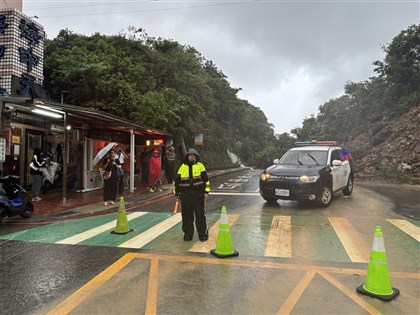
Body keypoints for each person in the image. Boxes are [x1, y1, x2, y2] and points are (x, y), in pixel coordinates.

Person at [174, 148, 210, 242]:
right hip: (186, 196)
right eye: (190, 155)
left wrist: (206, 192)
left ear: (196, 157)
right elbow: (177, 182)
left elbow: (206, 180)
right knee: (186, 216)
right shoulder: (182, 167)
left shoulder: (200, 166)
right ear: (187, 157)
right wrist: (177, 193)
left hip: (198, 195)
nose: (191, 157)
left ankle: (203, 234)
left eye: (193, 155)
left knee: (200, 216)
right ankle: (188, 234)